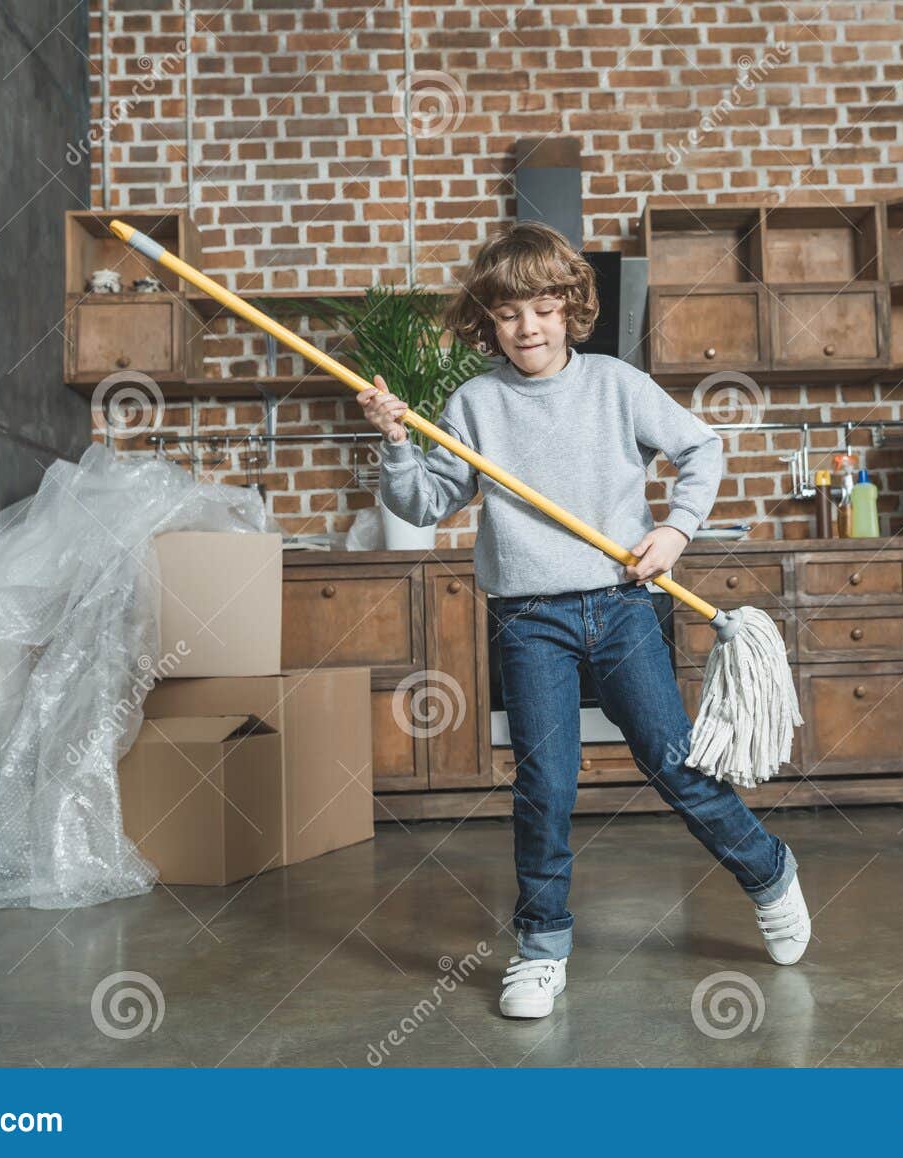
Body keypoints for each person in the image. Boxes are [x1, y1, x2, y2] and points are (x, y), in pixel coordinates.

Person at [359, 221, 810, 1020]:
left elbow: (702, 449)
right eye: (507, 313)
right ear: (486, 321)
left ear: (570, 307)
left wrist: (674, 530)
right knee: (545, 784)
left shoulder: (615, 385)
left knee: (673, 762)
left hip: (623, 606)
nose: (526, 326)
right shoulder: (473, 403)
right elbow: (424, 503)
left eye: (542, 306)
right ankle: (541, 945)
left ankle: (767, 869)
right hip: (528, 617)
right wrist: (397, 443)